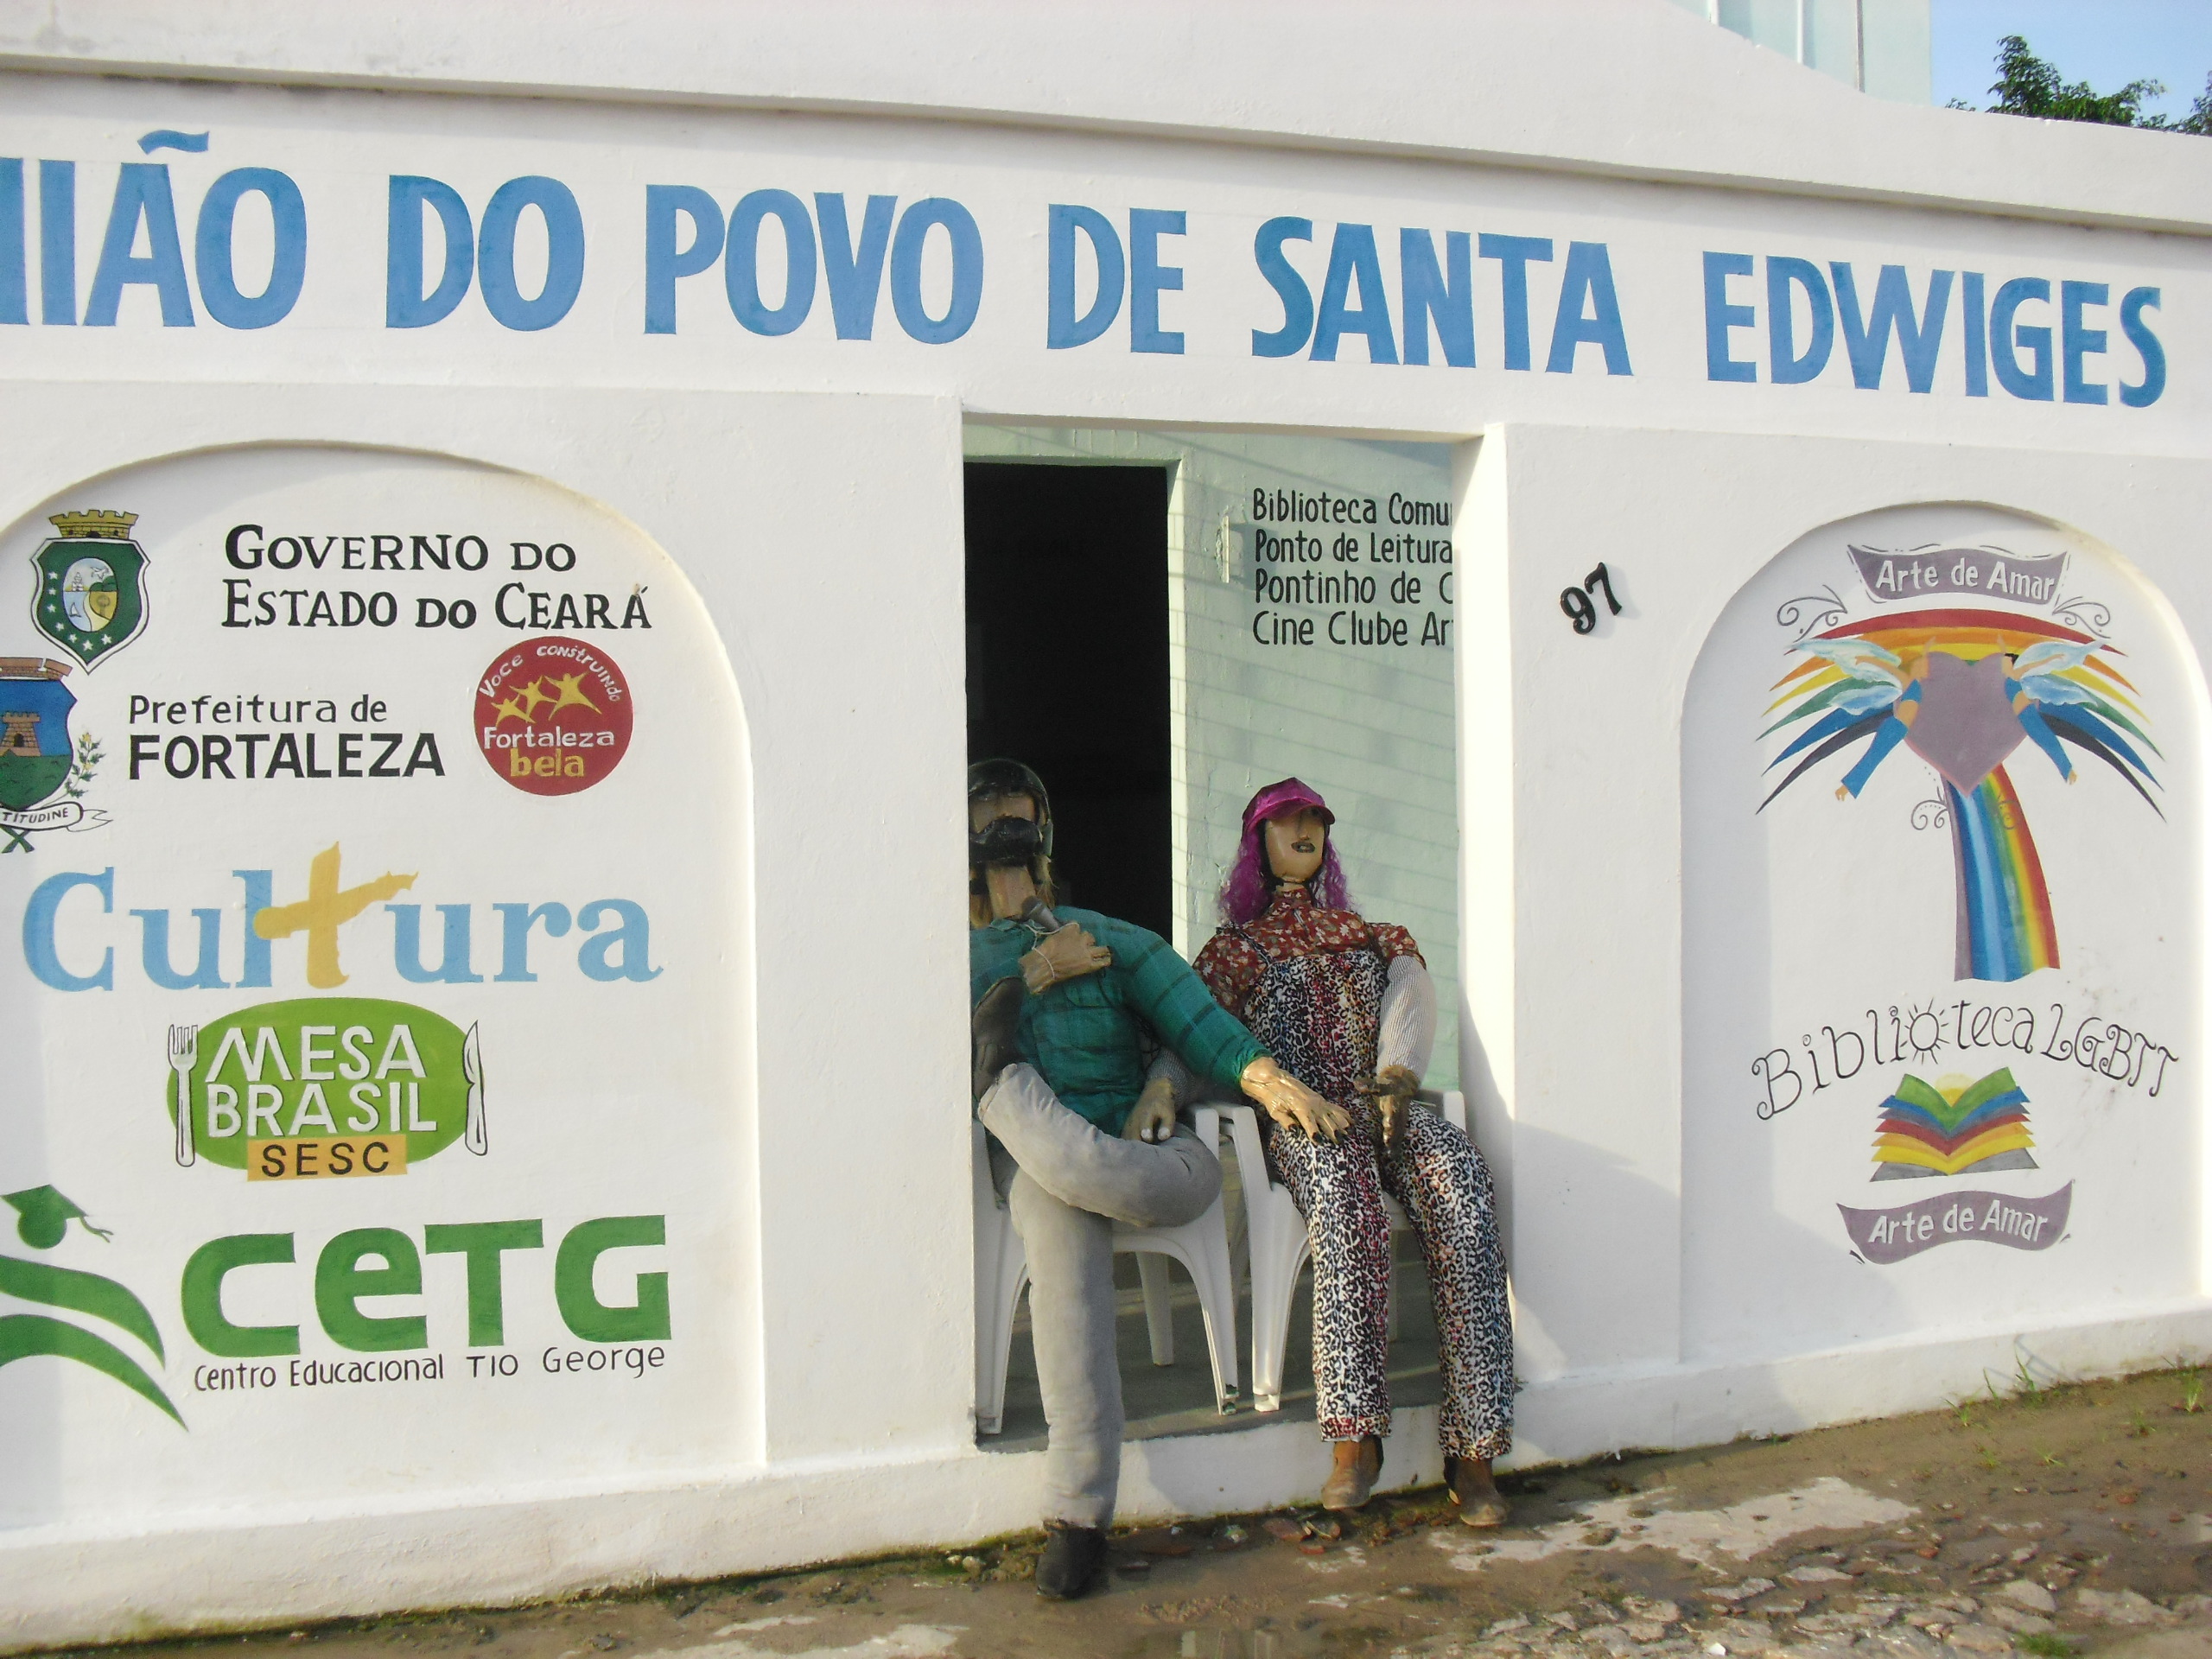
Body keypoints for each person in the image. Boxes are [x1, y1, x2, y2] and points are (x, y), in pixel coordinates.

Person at [966, 759, 1346, 1600]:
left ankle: (1029, 1109)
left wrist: (1233, 1081)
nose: (1007, 835)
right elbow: (928, 1038)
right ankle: (1078, 1517)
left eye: (1019, 816)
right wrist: (1034, 972)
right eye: (989, 820)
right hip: (1033, 1149)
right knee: (1058, 1211)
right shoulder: (952, 954)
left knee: (1181, 1177)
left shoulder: (1113, 936)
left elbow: (1195, 1017)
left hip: (1134, 1141)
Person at [1192, 778, 1514, 1525]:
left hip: (1381, 1104)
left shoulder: (1372, 936)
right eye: (1286, 820)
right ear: (1258, 841)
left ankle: (1475, 1446)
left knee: (1461, 1178)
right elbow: (1197, 1031)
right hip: (1306, 1119)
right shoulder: (1237, 951)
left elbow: (1411, 991)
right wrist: (1163, 1089)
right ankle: (1354, 1436)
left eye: (1314, 819)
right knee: (1344, 1194)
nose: (1303, 829)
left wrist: (1398, 1076)